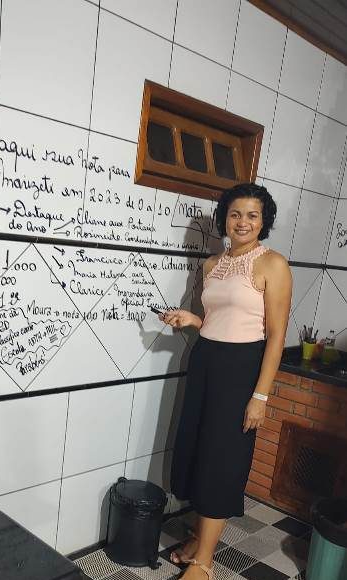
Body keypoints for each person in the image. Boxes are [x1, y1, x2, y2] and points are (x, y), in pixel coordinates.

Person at [160, 183, 292, 580]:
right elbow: (221, 319)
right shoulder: (211, 265)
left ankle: (204, 563)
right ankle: (197, 541)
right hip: (205, 362)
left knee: (222, 460)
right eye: (235, 214)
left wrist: (260, 396)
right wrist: (194, 320)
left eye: (252, 215)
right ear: (225, 219)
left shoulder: (273, 265)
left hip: (241, 371)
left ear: (264, 220)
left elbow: (276, 335)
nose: (243, 222)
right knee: (199, 452)